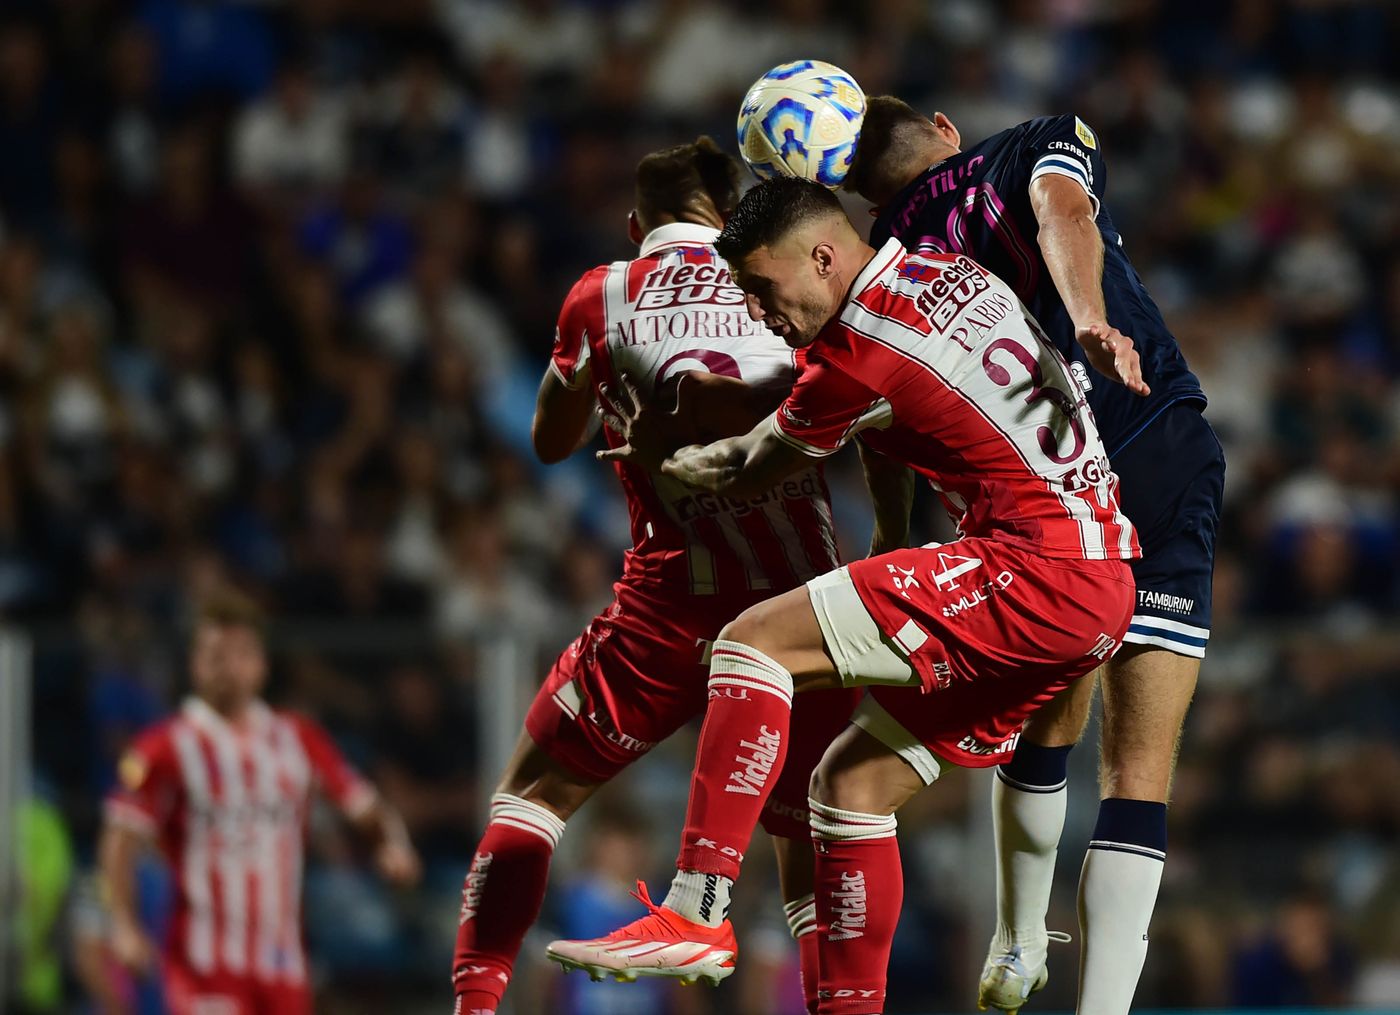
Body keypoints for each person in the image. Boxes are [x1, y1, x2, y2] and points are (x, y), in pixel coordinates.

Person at [545, 177, 1140, 1015]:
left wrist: (667, 459)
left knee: (752, 643)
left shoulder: (860, 346)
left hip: (1036, 569)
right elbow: (895, 416)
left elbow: (757, 458)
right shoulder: (943, 269)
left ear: (824, 256)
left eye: (762, 288)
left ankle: (698, 904)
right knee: (849, 788)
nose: (757, 312)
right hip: (1094, 576)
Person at [449, 139, 865, 1015]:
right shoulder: (789, 286)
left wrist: (597, 373)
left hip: (668, 603)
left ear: (635, 226)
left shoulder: (601, 295)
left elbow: (551, 441)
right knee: (812, 846)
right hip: (800, 604)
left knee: (532, 796)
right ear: (734, 212)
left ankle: (475, 1006)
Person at [842, 97, 1226, 1013]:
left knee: (1045, 728)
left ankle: (1018, 938)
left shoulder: (885, 268)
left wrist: (894, 533)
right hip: (1153, 446)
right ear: (942, 127)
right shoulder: (1028, 145)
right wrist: (1088, 315)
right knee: (1138, 775)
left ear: (858, 195)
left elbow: (877, 414)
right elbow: (1065, 210)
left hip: (1039, 502)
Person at [99, 590, 421, 1015]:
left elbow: (367, 807)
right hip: (203, 963)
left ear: (261, 664)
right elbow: (120, 839)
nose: (226, 666)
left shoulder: (298, 739)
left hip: (283, 963)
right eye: (214, 653)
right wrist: (123, 926)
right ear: (195, 662)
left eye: (239, 653)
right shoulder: (164, 748)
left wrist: (395, 846)